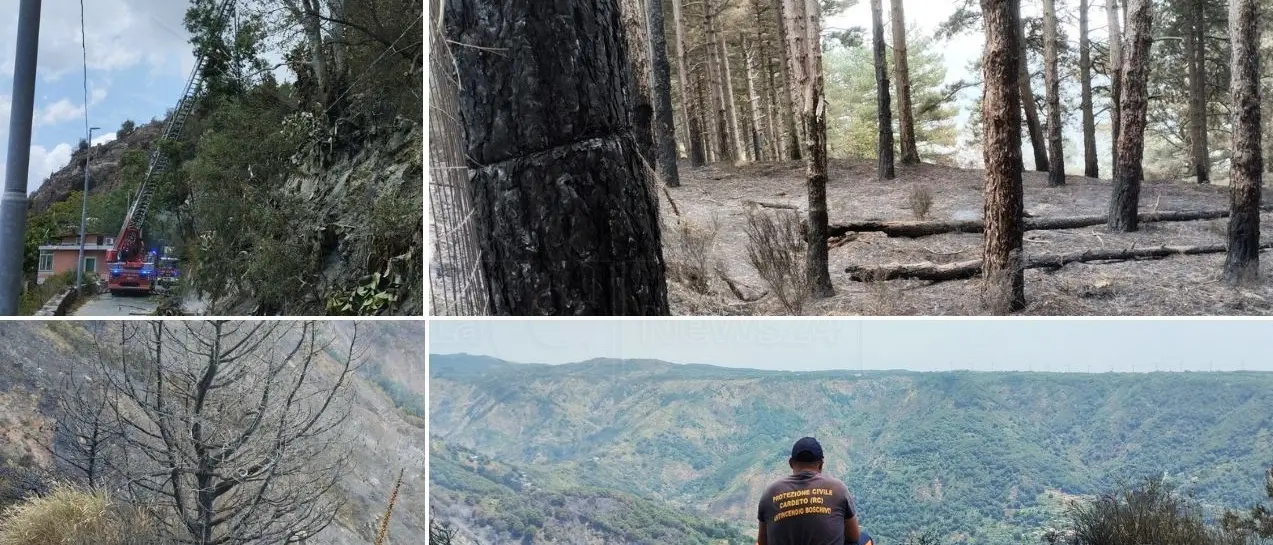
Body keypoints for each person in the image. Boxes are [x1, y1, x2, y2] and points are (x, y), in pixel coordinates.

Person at [756, 437, 861, 545]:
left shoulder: (769, 493)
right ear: (821, 464)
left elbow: (762, 542)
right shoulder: (838, 489)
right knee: (865, 539)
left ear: (791, 463)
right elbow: (854, 537)